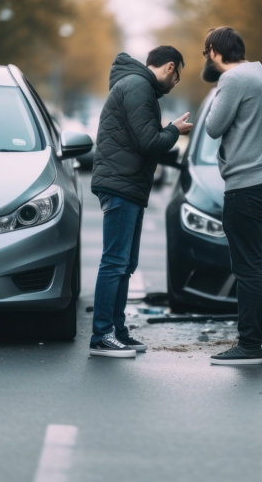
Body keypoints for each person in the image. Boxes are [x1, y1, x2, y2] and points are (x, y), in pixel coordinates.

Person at [89, 47, 193, 358]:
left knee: (125, 264)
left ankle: (116, 331)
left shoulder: (135, 85)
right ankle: (102, 335)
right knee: (115, 262)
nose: (175, 83)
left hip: (127, 184)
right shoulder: (138, 87)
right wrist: (175, 129)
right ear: (170, 67)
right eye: (177, 77)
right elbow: (149, 142)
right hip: (121, 184)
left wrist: (170, 141)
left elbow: (139, 139)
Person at [201, 27, 262, 365]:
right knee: (259, 262)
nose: (207, 60)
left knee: (245, 266)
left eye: (207, 54)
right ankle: (259, 333)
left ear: (215, 51)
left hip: (244, 184)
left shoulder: (233, 80)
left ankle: (249, 345)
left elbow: (213, 126)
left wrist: (218, 94)